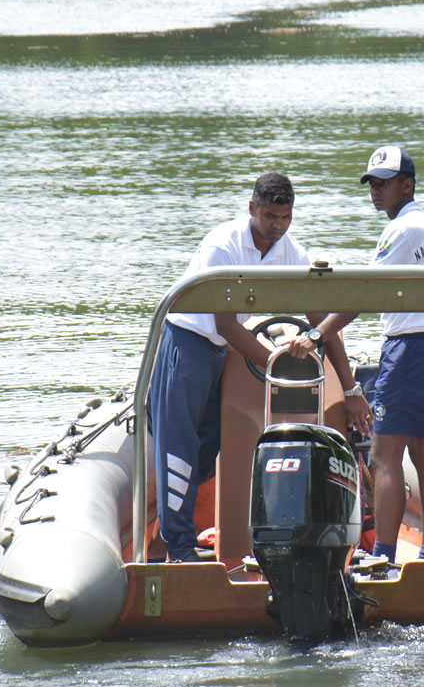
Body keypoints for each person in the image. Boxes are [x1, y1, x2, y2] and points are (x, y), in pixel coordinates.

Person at [150, 172, 370, 562]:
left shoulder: (291, 252)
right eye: (269, 216)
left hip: (221, 353)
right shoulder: (223, 247)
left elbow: (321, 323)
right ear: (252, 208)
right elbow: (226, 325)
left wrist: (351, 390)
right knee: (179, 449)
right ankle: (179, 551)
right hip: (187, 344)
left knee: (209, 445)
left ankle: (188, 533)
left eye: (284, 218)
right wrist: (276, 362)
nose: (277, 226)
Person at [287, 146, 424, 566]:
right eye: (373, 184)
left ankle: (382, 556)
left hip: (412, 349)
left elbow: (365, 291)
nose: (377, 191)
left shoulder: (402, 230)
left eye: (385, 183)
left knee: (384, 456)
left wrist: (316, 333)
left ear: (408, 184)